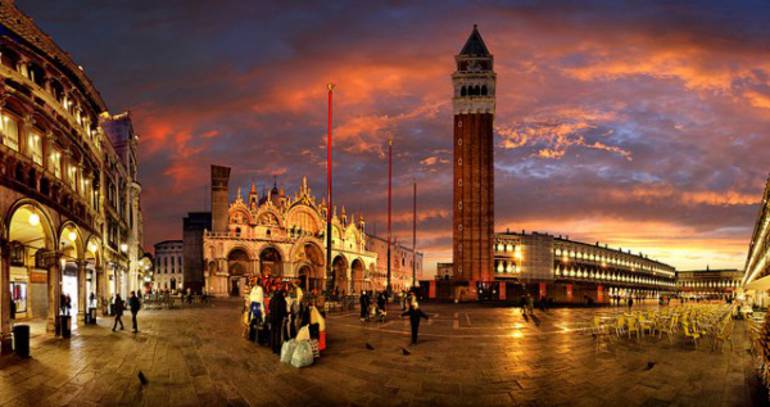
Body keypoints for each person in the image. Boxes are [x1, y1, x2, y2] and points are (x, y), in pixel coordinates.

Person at [269, 290, 287, 354]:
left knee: (273, 332)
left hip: (272, 318)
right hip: (278, 319)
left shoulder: (272, 299)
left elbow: (269, 308)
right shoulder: (282, 301)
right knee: (278, 333)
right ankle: (277, 348)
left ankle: (272, 347)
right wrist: (285, 316)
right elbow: (283, 311)